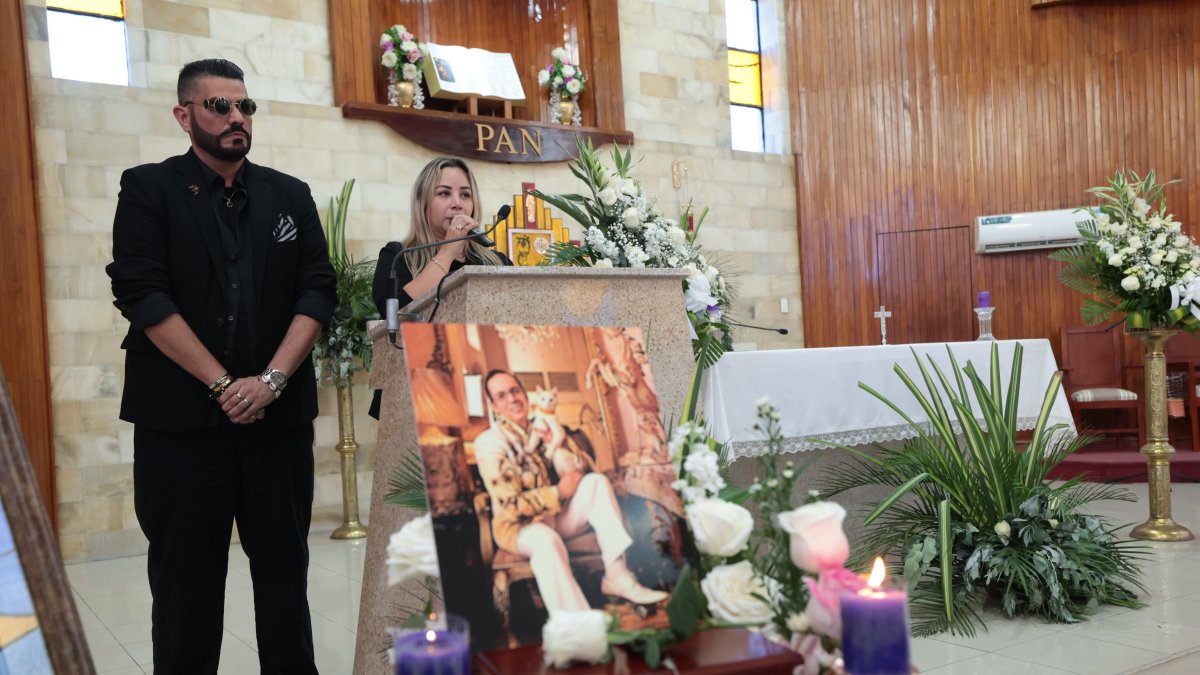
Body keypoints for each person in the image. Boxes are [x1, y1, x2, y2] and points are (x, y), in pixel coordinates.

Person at [106, 58, 335, 675]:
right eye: (219, 106)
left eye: (245, 106)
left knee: (286, 584)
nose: (237, 117)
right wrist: (222, 384)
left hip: (277, 426)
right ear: (184, 116)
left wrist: (270, 383)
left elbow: (318, 291)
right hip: (181, 430)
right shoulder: (148, 188)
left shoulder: (289, 194)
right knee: (185, 593)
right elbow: (142, 294)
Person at [474, 370, 668, 614]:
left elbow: (583, 469)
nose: (512, 398)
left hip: (557, 516)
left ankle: (617, 576)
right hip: (519, 527)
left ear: (525, 394)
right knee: (545, 539)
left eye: (515, 391)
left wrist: (560, 444)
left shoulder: (544, 426)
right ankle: (577, 625)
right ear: (494, 407)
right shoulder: (489, 442)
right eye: (501, 396)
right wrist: (558, 492)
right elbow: (511, 504)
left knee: (595, 483)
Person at [369, 156, 512, 417]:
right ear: (423, 203)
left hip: (482, 391)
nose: (457, 203)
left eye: (465, 195)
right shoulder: (397, 257)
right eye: (444, 193)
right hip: (414, 394)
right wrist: (447, 252)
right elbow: (396, 314)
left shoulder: (497, 262)